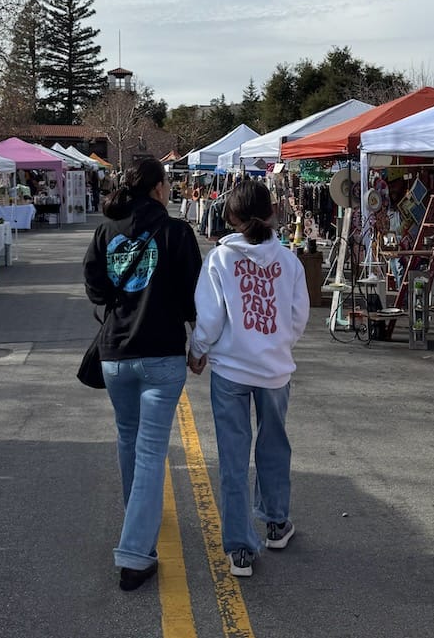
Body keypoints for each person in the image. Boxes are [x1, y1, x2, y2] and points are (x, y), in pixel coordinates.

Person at [83, 157, 203, 591]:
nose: (169, 189)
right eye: (167, 183)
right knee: (151, 450)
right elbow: (193, 297)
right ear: (157, 188)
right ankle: (135, 553)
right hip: (160, 352)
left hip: (116, 353)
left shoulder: (107, 231)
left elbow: (95, 288)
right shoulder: (176, 232)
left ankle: (137, 511)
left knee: (128, 437)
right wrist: (198, 343)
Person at [187, 179, 309, 578]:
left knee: (233, 457)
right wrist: (278, 344)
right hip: (274, 370)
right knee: (274, 446)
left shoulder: (220, 259)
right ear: (271, 212)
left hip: (230, 370)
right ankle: (276, 522)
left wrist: (199, 349)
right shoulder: (288, 261)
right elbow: (298, 317)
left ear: (231, 216)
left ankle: (240, 546)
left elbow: (210, 317)